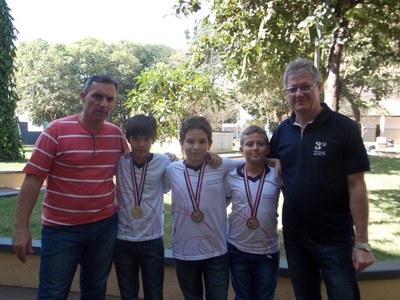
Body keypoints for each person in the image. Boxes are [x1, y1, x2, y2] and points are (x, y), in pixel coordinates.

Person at [12, 74, 129, 299]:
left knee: (95, 291)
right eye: (97, 96)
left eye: (110, 99)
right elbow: (33, 179)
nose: (104, 103)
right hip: (61, 230)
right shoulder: (56, 131)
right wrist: (20, 228)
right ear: (83, 97)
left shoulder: (116, 135)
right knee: (53, 293)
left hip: (104, 227)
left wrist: (168, 159)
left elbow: (132, 166)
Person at [269, 58, 375, 300]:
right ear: (286, 92)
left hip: (335, 240)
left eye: (305, 86)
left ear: (319, 87)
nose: (299, 93)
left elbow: (357, 185)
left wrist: (361, 242)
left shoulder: (344, 128)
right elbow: (261, 160)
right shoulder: (282, 132)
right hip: (295, 238)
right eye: (292, 88)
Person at [163, 116, 243, 300]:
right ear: (182, 142)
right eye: (190, 141)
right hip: (184, 251)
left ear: (210, 143)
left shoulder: (221, 164)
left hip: (217, 251)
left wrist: (274, 162)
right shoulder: (172, 170)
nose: (196, 147)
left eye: (202, 141)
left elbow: (251, 160)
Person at [114, 114, 173, 300]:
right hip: (123, 240)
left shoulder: (164, 162)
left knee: (154, 293)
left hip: (152, 240)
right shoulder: (119, 161)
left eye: (146, 139)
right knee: (128, 293)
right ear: (128, 139)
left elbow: (169, 185)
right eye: (135, 139)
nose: (140, 144)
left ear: (153, 139)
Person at [225, 125, 281, 300]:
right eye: (249, 144)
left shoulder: (278, 174)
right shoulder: (231, 176)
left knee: (265, 297)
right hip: (237, 249)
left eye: (260, 144)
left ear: (268, 148)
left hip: (267, 251)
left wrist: (276, 161)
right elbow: (222, 204)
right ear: (242, 150)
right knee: (242, 296)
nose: (255, 148)